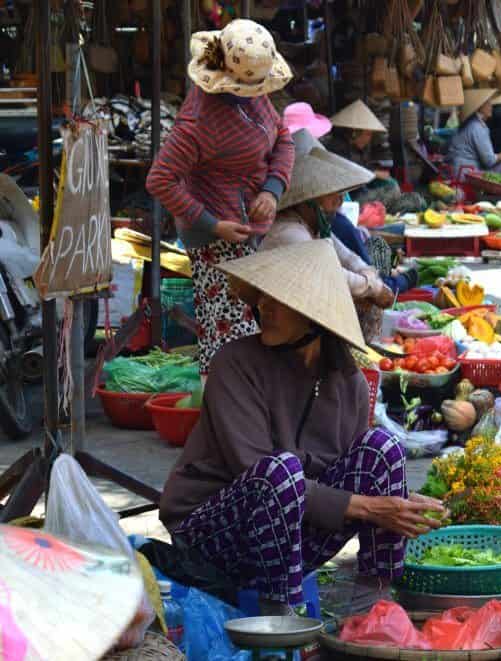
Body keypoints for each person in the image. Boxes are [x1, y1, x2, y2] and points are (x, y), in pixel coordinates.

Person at [159, 240, 446, 614]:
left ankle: (371, 608)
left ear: (314, 316)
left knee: (383, 450)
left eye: (278, 299)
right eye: (262, 297)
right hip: (209, 536)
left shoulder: (350, 383)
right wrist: (372, 508)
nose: (263, 306)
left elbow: (349, 476)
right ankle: (280, 622)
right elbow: (256, 472)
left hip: (290, 531)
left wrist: (399, 502)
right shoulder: (236, 363)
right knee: (281, 471)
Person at [146, 19, 294, 377]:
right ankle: (224, 414)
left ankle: (242, 411)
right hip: (217, 241)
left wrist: (272, 190)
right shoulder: (197, 124)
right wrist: (213, 225)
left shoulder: (255, 96)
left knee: (253, 328)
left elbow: (283, 138)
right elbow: (160, 180)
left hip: (251, 229)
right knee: (229, 335)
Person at [260, 130, 395, 341]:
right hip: (283, 327)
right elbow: (331, 275)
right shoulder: (288, 231)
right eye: (331, 191)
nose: (340, 200)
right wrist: (374, 287)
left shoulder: (313, 226)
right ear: (308, 195)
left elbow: (347, 257)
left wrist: (369, 275)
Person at [446, 89, 501, 176]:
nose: (491, 106)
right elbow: (490, 161)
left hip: (458, 168)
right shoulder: (478, 127)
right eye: (488, 103)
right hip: (466, 173)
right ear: (480, 107)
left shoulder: (469, 122)